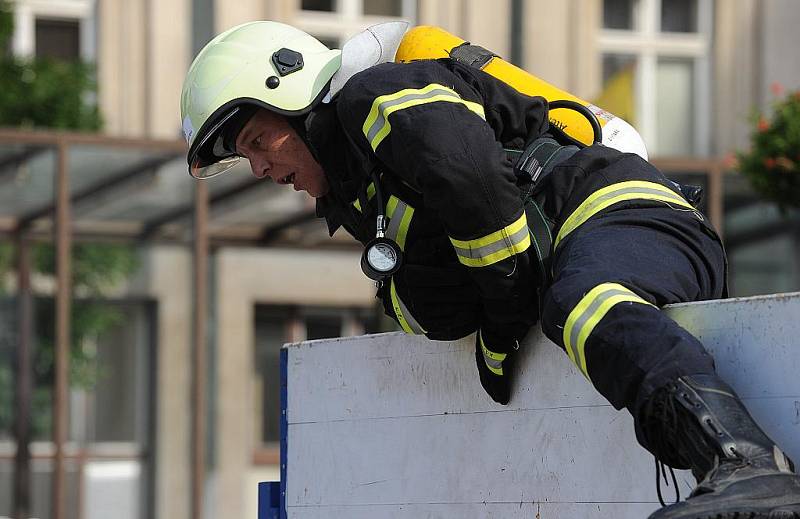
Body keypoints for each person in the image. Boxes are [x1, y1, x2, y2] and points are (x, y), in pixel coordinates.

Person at [180, 21, 800, 519]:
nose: (261, 168)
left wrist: (503, 319)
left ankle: (748, 466)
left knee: (583, 302)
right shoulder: (370, 197)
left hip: (626, 209)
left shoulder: (377, 97)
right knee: (573, 301)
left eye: (260, 140)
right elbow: (438, 306)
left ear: (293, 97)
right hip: (597, 235)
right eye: (245, 157)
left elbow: (469, 178)